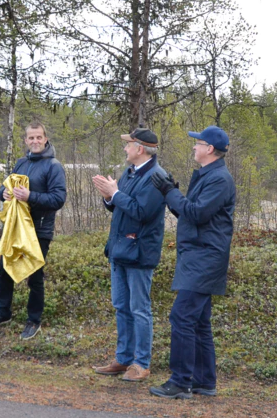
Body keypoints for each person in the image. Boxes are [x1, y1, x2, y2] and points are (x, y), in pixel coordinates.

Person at [148, 125, 235, 399]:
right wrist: (171, 192)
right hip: (198, 255)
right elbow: (189, 212)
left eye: (198, 143)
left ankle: (181, 381)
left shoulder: (220, 179)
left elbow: (196, 214)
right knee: (198, 321)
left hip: (205, 257)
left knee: (182, 317)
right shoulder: (207, 175)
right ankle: (204, 381)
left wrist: (171, 193)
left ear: (209, 149)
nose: (194, 147)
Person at [91, 128, 167, 382]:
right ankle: (123, 359)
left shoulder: (157, 177)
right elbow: (121, 208)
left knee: (139, 309)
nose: (125, 149)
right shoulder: (130, 173)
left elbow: (142, 212)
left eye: (128, 145)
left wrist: (115, 193)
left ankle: (141, 364)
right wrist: (108, 197)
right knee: (121, 307)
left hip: (140, 253)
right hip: (120, 251)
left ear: (140, 149)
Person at [0, 122, 67, 340]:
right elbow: (4, 187)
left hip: (38, 230)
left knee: (35, 276)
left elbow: (58, 199)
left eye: (39, 137)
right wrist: (5, 194)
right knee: (5, 269)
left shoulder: (54, 166)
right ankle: (3, 313)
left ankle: (34, 320)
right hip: (15, 229)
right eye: (31, 138)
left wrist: (30, 197)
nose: (35, 141)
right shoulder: (21, 163)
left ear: (46, 139)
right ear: (25, 140)